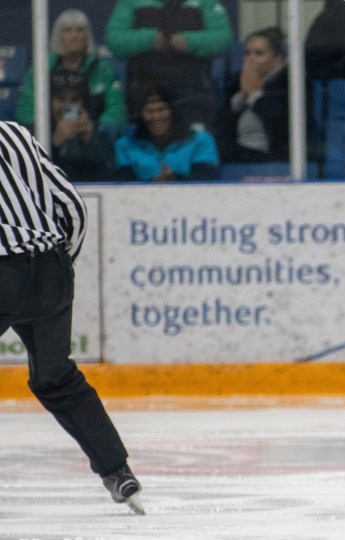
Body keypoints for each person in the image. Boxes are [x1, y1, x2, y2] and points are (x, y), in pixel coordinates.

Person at [0, 120, 144, 515]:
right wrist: (60, 262)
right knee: (55, 376)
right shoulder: (14, 133)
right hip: (52, 268)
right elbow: (71, 204)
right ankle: (118, 472)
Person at [105, 0, 234, 130]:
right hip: (145, 99)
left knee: (197, 146)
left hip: (193, 98)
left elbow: (224, 39)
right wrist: (148, 39)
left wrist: (189, 41)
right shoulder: (131, 2)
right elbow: (114, 39)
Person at [15, 8, 126, 137]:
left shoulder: (103, 69)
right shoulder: (41, 69)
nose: (74, 36)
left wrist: (96, 130)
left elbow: (117, 110)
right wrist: (51, 135)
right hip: (51, 141)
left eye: (80, 30)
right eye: (68, 30)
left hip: (92, 142)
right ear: (58, 36)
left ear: (87, 36)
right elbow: (25, 112)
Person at [215, 27, 289, 163]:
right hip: (238, 156)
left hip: (273, 159)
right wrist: (240, 99)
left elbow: (281, 127)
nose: (250, 59)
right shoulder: (237, 81)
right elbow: (220, 128)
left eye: (259, 53)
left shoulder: (289, 83)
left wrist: (255, 95)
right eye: (247, 53)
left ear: (278, 59)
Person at [114, 88, 220, 182]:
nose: (156, 116)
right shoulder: (124, 145)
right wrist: (150, 186)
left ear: (173, 111)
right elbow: (122, 187)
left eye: (162, 109)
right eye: (149, 111)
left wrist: (175, 179)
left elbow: (207, 183)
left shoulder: (201, 140)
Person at [47, 68, 116, 181]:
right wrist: (54, 146)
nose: (67, 106)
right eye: (61, 99)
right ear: (49, 102)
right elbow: (33, 178)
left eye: (74, 100)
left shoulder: (99, 133)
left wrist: (90, 141)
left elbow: (108, 178)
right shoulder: (36, 133)